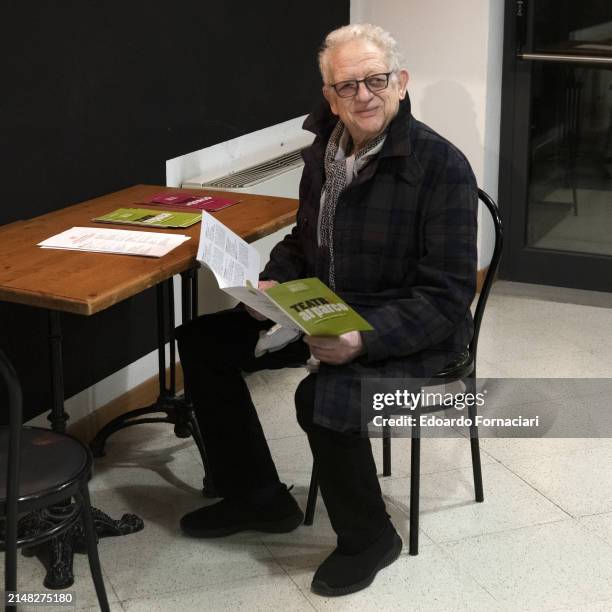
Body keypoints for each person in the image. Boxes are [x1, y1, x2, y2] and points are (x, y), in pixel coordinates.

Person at [176, 23, 478, 597]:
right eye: (347, 86)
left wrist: (362, 340)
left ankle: (370, 538)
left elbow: (447, 296)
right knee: (204, 342)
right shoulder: (327, 151)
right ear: (329, 97)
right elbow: (303, 239)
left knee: (320, 398)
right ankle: (257, 497)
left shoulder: (442, 167)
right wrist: (274, 285)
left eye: (376, 80)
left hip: (410, 329)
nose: (363, 94)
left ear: (401, 83)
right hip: (325, 308)